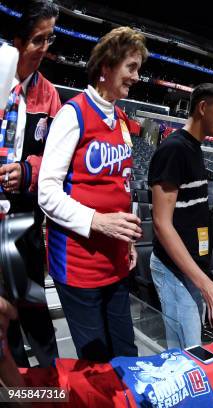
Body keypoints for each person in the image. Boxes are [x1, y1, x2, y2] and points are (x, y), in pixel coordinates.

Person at [38, 27, 148, 361]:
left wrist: (126, 239)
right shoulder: (73, 113)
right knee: (96, 362)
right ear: (106, 68)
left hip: (115, 262)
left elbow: (122, 185)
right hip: (78, 264)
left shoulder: (121, 120)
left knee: (126, 353)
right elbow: (46, 193)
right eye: (131, 67)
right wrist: (99, 221)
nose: (137, 77)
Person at [148, 83, 213, 348]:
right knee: (186, 352)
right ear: (202, 108)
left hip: (191, 268)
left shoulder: (194, 148)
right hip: (174, 269)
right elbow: (162, 224)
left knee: (192, 345)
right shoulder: (174, 149)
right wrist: (205, 284)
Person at [0, 0, 60, 368]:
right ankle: (17, 383)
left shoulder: (48, 94)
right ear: (18, 41)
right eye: (37, 40)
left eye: (49, 40)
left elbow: (55, 158)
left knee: (32, 302)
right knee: (3, 311)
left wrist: (27, 170)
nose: (43, 50)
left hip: (23, 216)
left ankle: (52, 378)